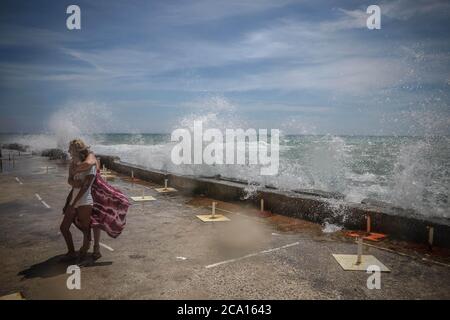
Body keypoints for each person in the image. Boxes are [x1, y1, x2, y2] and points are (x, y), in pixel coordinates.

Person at [60, 139, 100, 261]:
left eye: (71, 149)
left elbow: (86, 186)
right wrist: (73, 183)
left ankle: (85, 250)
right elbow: (70, 180)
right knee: (64, 227)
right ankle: (71, 252)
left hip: (84, 200)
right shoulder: (73, 163)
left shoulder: (91, 163)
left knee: (86, 228)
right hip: (74, 198)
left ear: (77, 150)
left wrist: (73, 203)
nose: (69, 151)